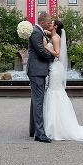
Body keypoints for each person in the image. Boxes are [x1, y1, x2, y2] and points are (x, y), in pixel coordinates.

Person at [41, 20, 83, 141]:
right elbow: (45, 31)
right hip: (55, 68)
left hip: (55, 68)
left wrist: (46, 47)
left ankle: (56, 127)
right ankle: (56, 125)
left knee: (54, 92)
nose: (49, 24)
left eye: (51, 23)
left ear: (55, 27)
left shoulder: (56, 38)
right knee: (55, 93)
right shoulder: (54, 35)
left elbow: (57, 54)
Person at [28, 12, 55, 143]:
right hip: (36, 70)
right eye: (49, 22)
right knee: (38, 101)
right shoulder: (36, 32)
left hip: (38, 70)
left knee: (35, 101)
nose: (50, 24)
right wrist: (54, 57)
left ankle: (34, 129)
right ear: (42, 22)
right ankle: (40, 134)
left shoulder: (40, 32)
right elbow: (41, 51)